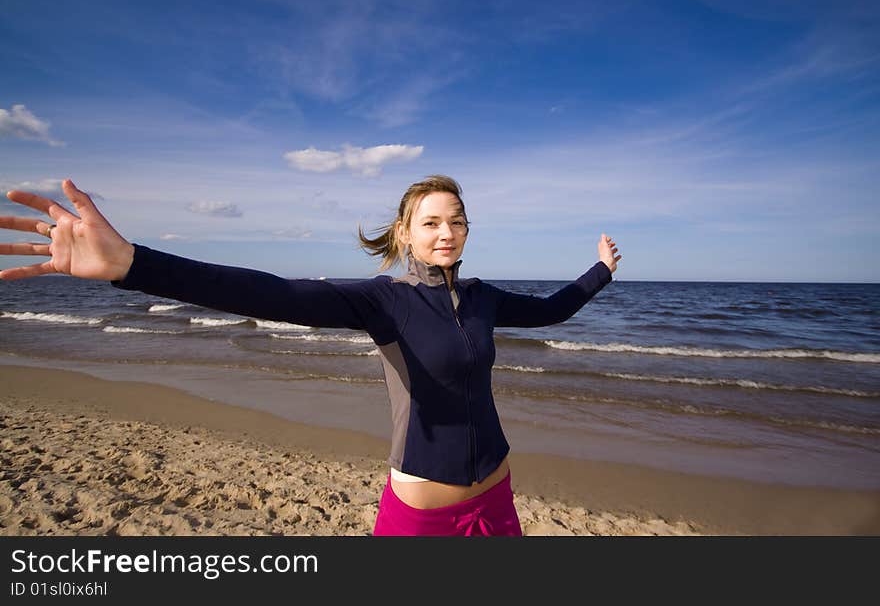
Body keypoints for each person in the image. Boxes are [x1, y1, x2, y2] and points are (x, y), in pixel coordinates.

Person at [0, 175, 621, 536]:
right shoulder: (384, 302)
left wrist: (600, 271)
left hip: (496, 502)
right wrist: (133, 265)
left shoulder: (484, 300)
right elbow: (271, 293)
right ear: (406, 232)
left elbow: (552, 309)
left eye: (456, 221)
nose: (447, 233)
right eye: (431, 222)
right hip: (420, 518)